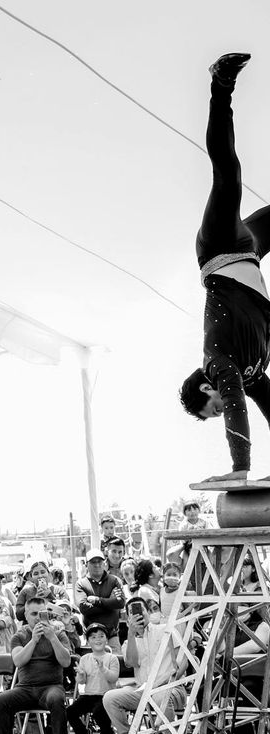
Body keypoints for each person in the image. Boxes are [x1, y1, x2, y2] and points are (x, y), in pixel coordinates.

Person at [176, 53, 270, 483]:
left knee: (227, 175)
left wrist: (240, 470)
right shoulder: (252, 374)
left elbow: (235, 405)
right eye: (218, 411)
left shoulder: (219, 365)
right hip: (250, 252)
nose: (224, 406)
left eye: (212, 406)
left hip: (219, 249)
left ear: (206, 388)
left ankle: (220, 86)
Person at [0, 596, 72, 734]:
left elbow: (66, 662)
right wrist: (34, 640)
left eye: (41, 613)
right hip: (26, 688)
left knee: (57, 699)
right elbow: (19, 661)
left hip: (51, 686)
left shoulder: (58, 634)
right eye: (34, 614)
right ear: (26, 615)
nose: (38, 618)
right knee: (1, 700)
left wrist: (52, 639)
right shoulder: (19, 636)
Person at [103, 596, 184, 734]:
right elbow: (132, 662)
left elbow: (183, 661)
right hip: (143, 690)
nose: (138, 614)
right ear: (128, 617)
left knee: (160, 696)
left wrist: (168, 682)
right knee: (109, 698)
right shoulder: (128, 641)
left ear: (148, 611)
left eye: (141, 610)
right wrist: (131, 633)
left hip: (171, 688)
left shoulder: (166, 630)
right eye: (133, 612)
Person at [67, 623, 119, 734]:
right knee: (69, 712)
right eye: (93, 637)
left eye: (101, 636)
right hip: (89, 695)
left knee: (98, 712)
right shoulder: (85, 659)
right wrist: (80, 674)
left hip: (106, 696)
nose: (98, 640)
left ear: (106, 639)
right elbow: (81, 682)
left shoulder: (112, 658)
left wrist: (102, 668)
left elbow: (113, 678)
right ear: (88, 641)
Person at [76, 548, 125, 653]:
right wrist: (110, 604)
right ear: (87, 565)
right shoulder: (81, 584)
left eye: (99, 561)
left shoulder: (114, 580)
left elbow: (120, 602)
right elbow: (84, 608)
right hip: (92, 637)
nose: (97, 565)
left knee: (115, 666)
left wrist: (97, 601)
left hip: (112, 636)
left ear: (104, 563)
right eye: (93, 562)